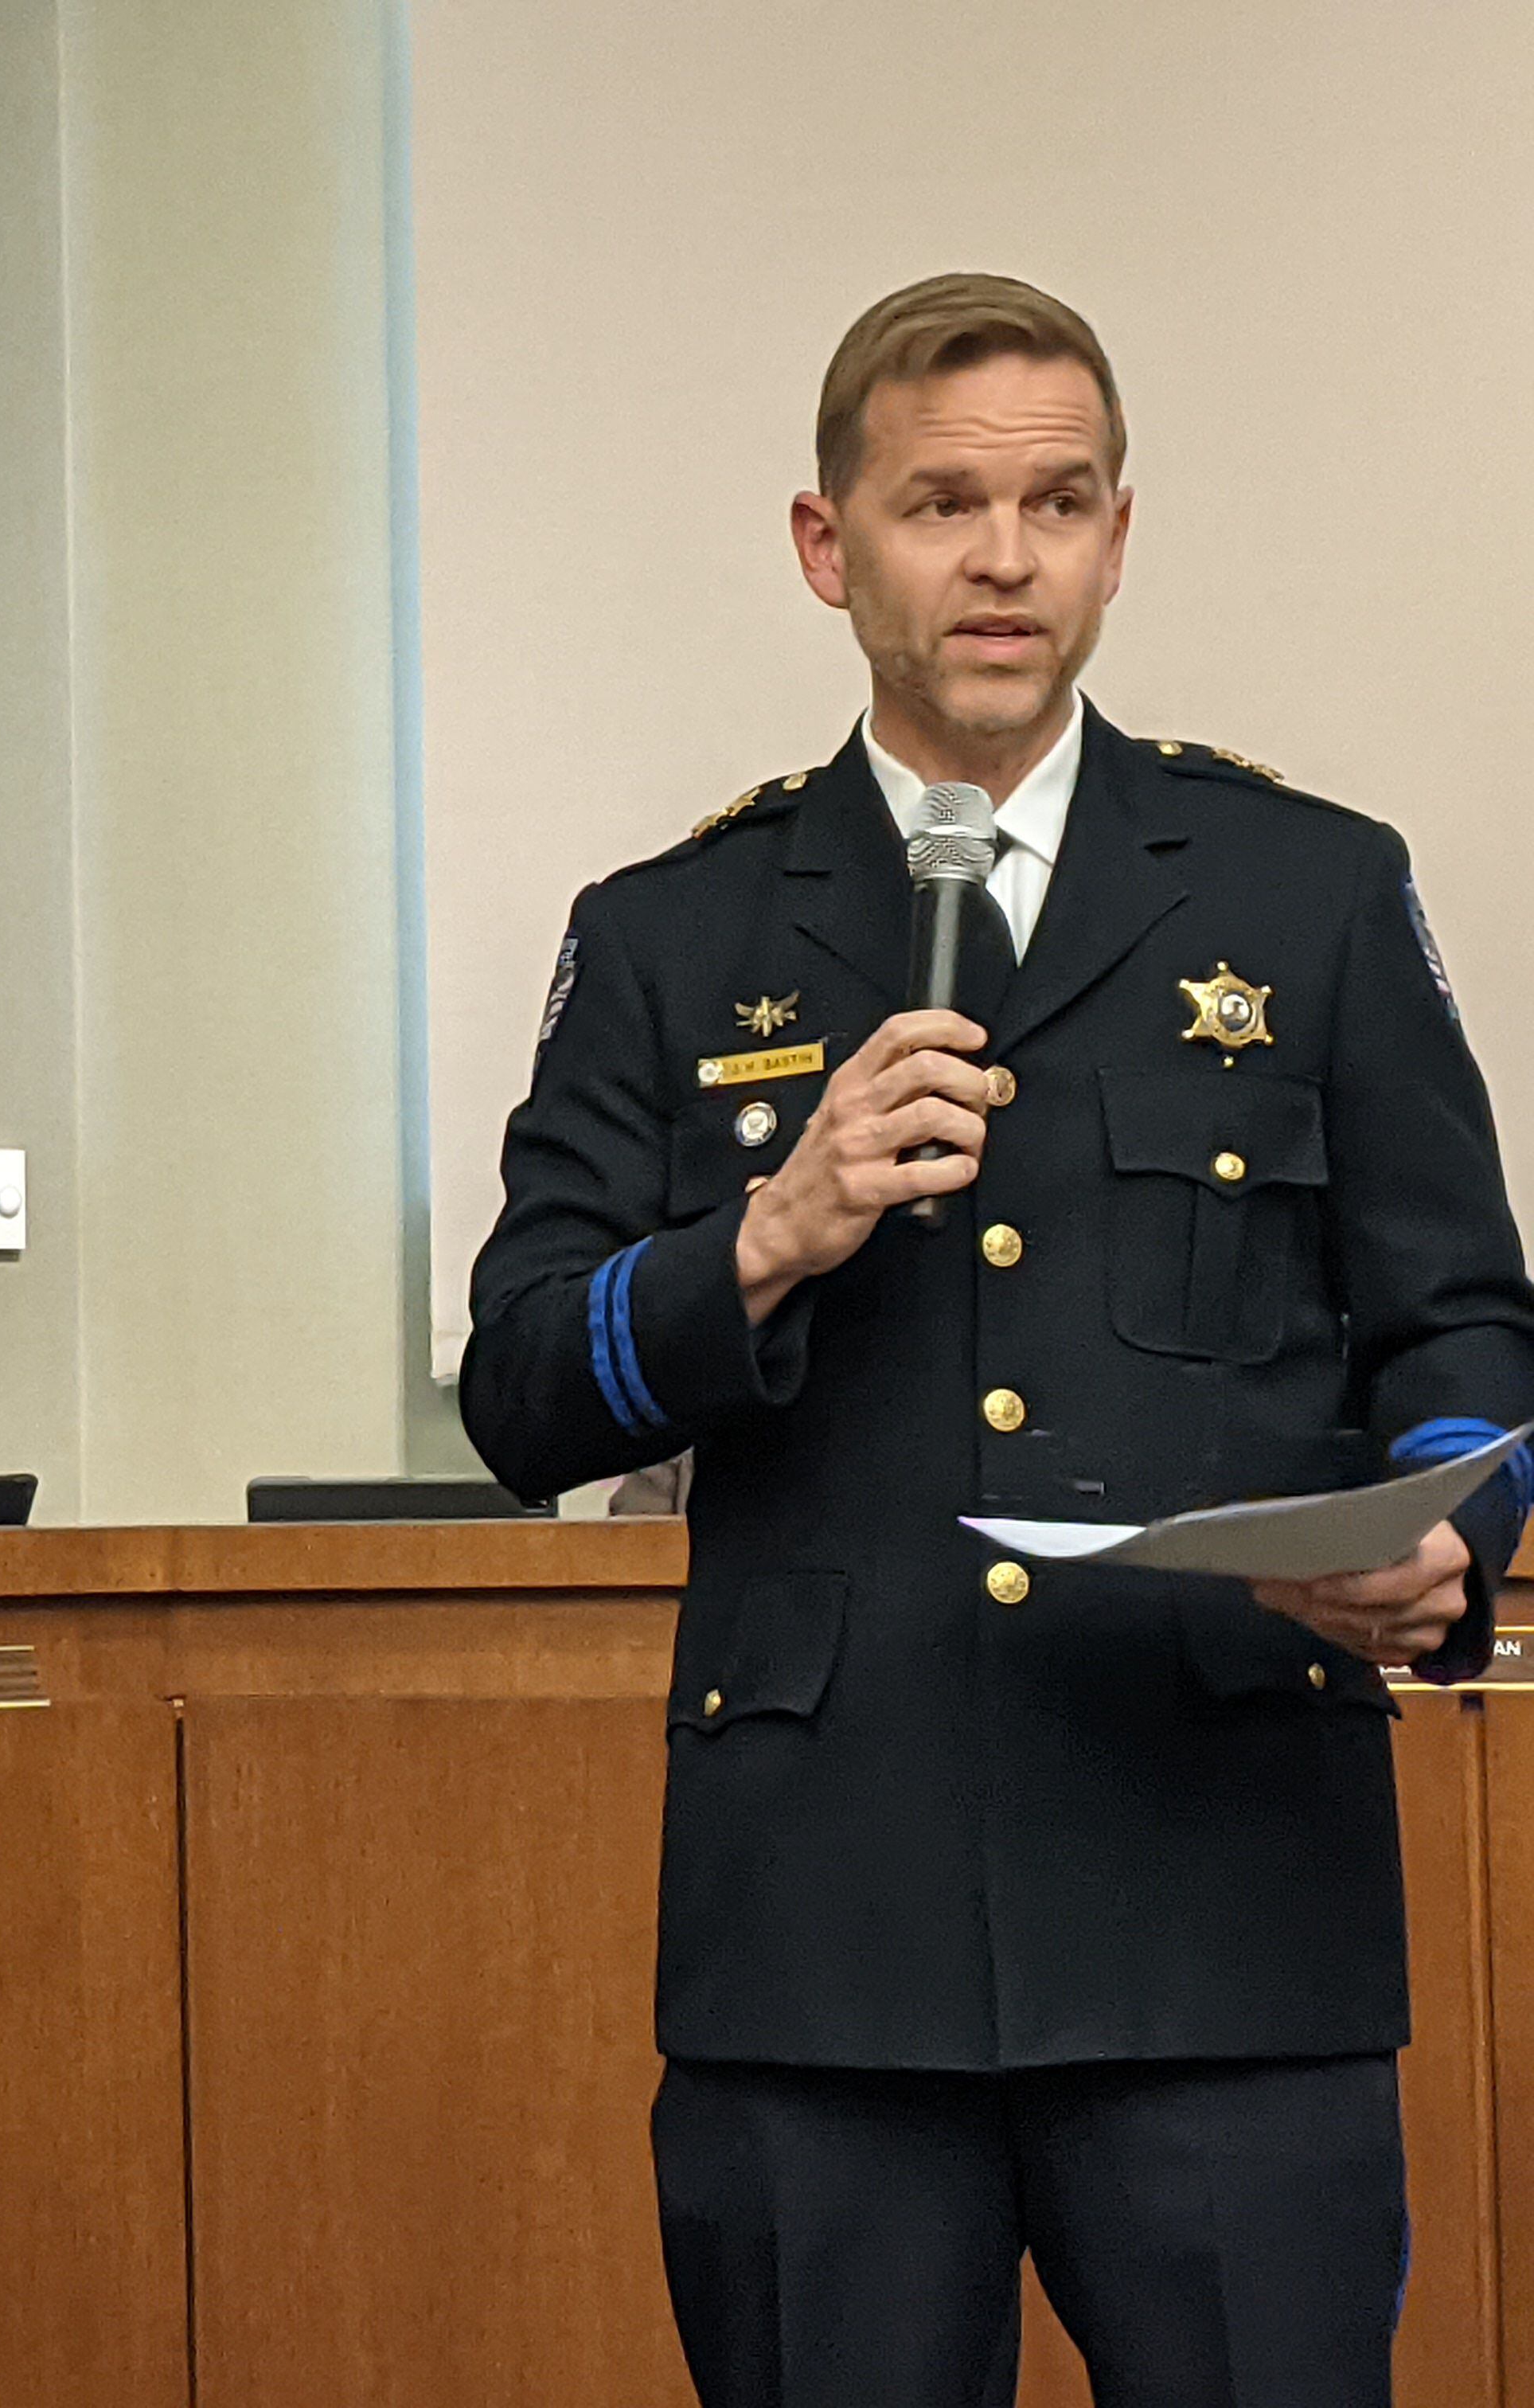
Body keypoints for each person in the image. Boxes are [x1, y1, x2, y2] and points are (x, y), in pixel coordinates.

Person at [463, 272, 1534, 2408]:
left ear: (1120, 538)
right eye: (943, 502)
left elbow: (1469, 1327)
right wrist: (759, 1238)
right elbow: (514, 1384)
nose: (1004, 555)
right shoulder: (674, 933)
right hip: (822, 1946)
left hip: (1227, 1907)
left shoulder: (1306, 889)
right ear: (826, 543)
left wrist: (1449, 1547)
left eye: (1056, 503)